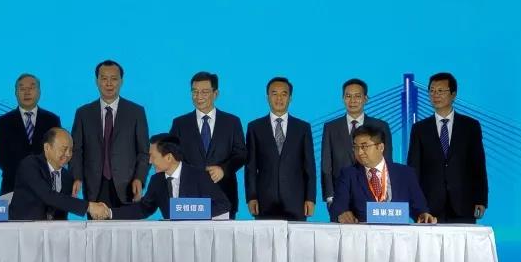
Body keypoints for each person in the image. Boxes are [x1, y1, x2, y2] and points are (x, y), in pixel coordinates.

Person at [407, 72, 488, 223]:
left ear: (453, 94)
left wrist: (481, 199)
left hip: (464, 204)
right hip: (429, 207)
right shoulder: (419, 129)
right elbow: (414, 169)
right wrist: (416, 205)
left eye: (440, 91)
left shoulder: (470, 126)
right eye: (432, 91)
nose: (435, 95)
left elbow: (478, 166)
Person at [70, 60, 150, 211]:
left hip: (128, 187)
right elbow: (76, 150)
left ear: (121, 81)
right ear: (96, 81)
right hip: (94, 187)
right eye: (104, 78)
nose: (109, 84)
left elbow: (144, 152)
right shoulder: (83, 113)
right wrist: (77, 177)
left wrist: (139, 178)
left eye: (114, 79)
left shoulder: (136, 112)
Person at [168, 72, 246, 218]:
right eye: (195, 92)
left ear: (215, 94)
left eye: (204, 92)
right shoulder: (180, 124)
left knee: (224, 234)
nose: (199, 96)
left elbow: (241, 154)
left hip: (223, 195)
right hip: (189, 199)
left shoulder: (232, 122)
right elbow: (172, 156)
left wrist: (223, 169)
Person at [107, 134, 230, 220]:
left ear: (169, 157)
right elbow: (142, 209)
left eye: (153, 156)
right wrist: (109, 212)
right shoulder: (157, 181)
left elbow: (223, 205)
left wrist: (184, 211)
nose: (149, 161)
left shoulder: (199, 176)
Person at [331, 125, 436, 224]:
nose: (359, 152)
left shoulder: (405, 174)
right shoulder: (348, 174)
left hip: (398, 234)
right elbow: (337, 208)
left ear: (380, 147)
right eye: (356, 147)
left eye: (364, 146)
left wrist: (423, 215)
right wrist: (341, 214)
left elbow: (420, 208)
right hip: (363, 234)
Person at [245, 77, 316, 220]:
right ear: (267, 97)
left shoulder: (302, 128)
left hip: (296, 201)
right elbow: (250, 167)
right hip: (264, 201)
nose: (279, 98)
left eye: (284, 94)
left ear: (290, 98)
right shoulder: (255, 127)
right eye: (274, 93)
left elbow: (309, 167)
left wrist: (310, 198)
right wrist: (251, 197)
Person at [320, 78, 393, 208]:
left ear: (366, 99)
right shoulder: (331, 127)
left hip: (373, 193)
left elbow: (386, 161)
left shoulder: (381, 126)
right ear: (343, 98)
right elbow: (326, 164)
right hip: (340, 194)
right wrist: (330, 196)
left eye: (357, 96)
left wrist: (386, 193)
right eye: (348, 96)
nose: (352, 100)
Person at [9, 128, 109, 220]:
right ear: (47, 147)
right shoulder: (30, 165)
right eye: (64, 149)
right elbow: (47, 195)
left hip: (55, 231)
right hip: (22, 228)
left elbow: (62, 210)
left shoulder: (67, 177)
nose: (68, 154)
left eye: (71, 150)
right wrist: (89, 207)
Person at [0, 73, 61, 197]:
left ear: (39, 92)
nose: (27, 92)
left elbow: (57, 153)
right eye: (22, 88)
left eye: (31, 88)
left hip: (47, 186)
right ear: (15, 93)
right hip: (12, 185)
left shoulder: (52, 120)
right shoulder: (4, 122)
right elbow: (1, 157)